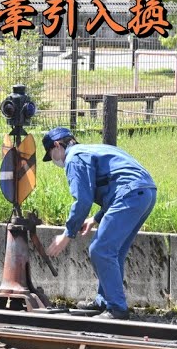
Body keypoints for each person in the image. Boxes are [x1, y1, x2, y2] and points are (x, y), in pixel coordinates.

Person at [41, 127, 156, 320]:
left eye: (51, 154)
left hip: (130, 194)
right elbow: (116, 183)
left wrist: (67, 234)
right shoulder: (93, 149)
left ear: (56, 146)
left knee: (100, 250)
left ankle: (117, 309)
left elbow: (83, 200)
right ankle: (104, 301)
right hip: (145, 192)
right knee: (113, 251)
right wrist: (95, 219)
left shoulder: (74, 157)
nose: (54, 159)